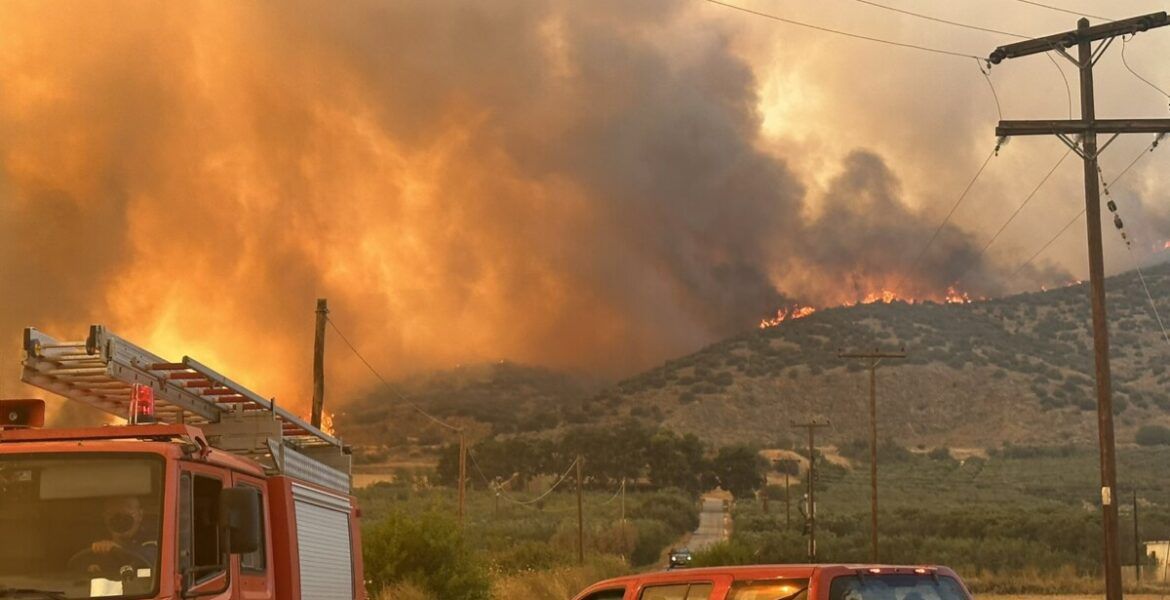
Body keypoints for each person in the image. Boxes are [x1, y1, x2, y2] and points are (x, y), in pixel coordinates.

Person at [80, 496, 157, 575]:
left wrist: (119, 550)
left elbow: (151, 558)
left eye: (128, 507)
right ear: (105, 517)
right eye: (113, 511)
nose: (120, 517)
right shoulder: (92, 541)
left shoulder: (154, 536)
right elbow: (76, 569)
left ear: (140, 515)